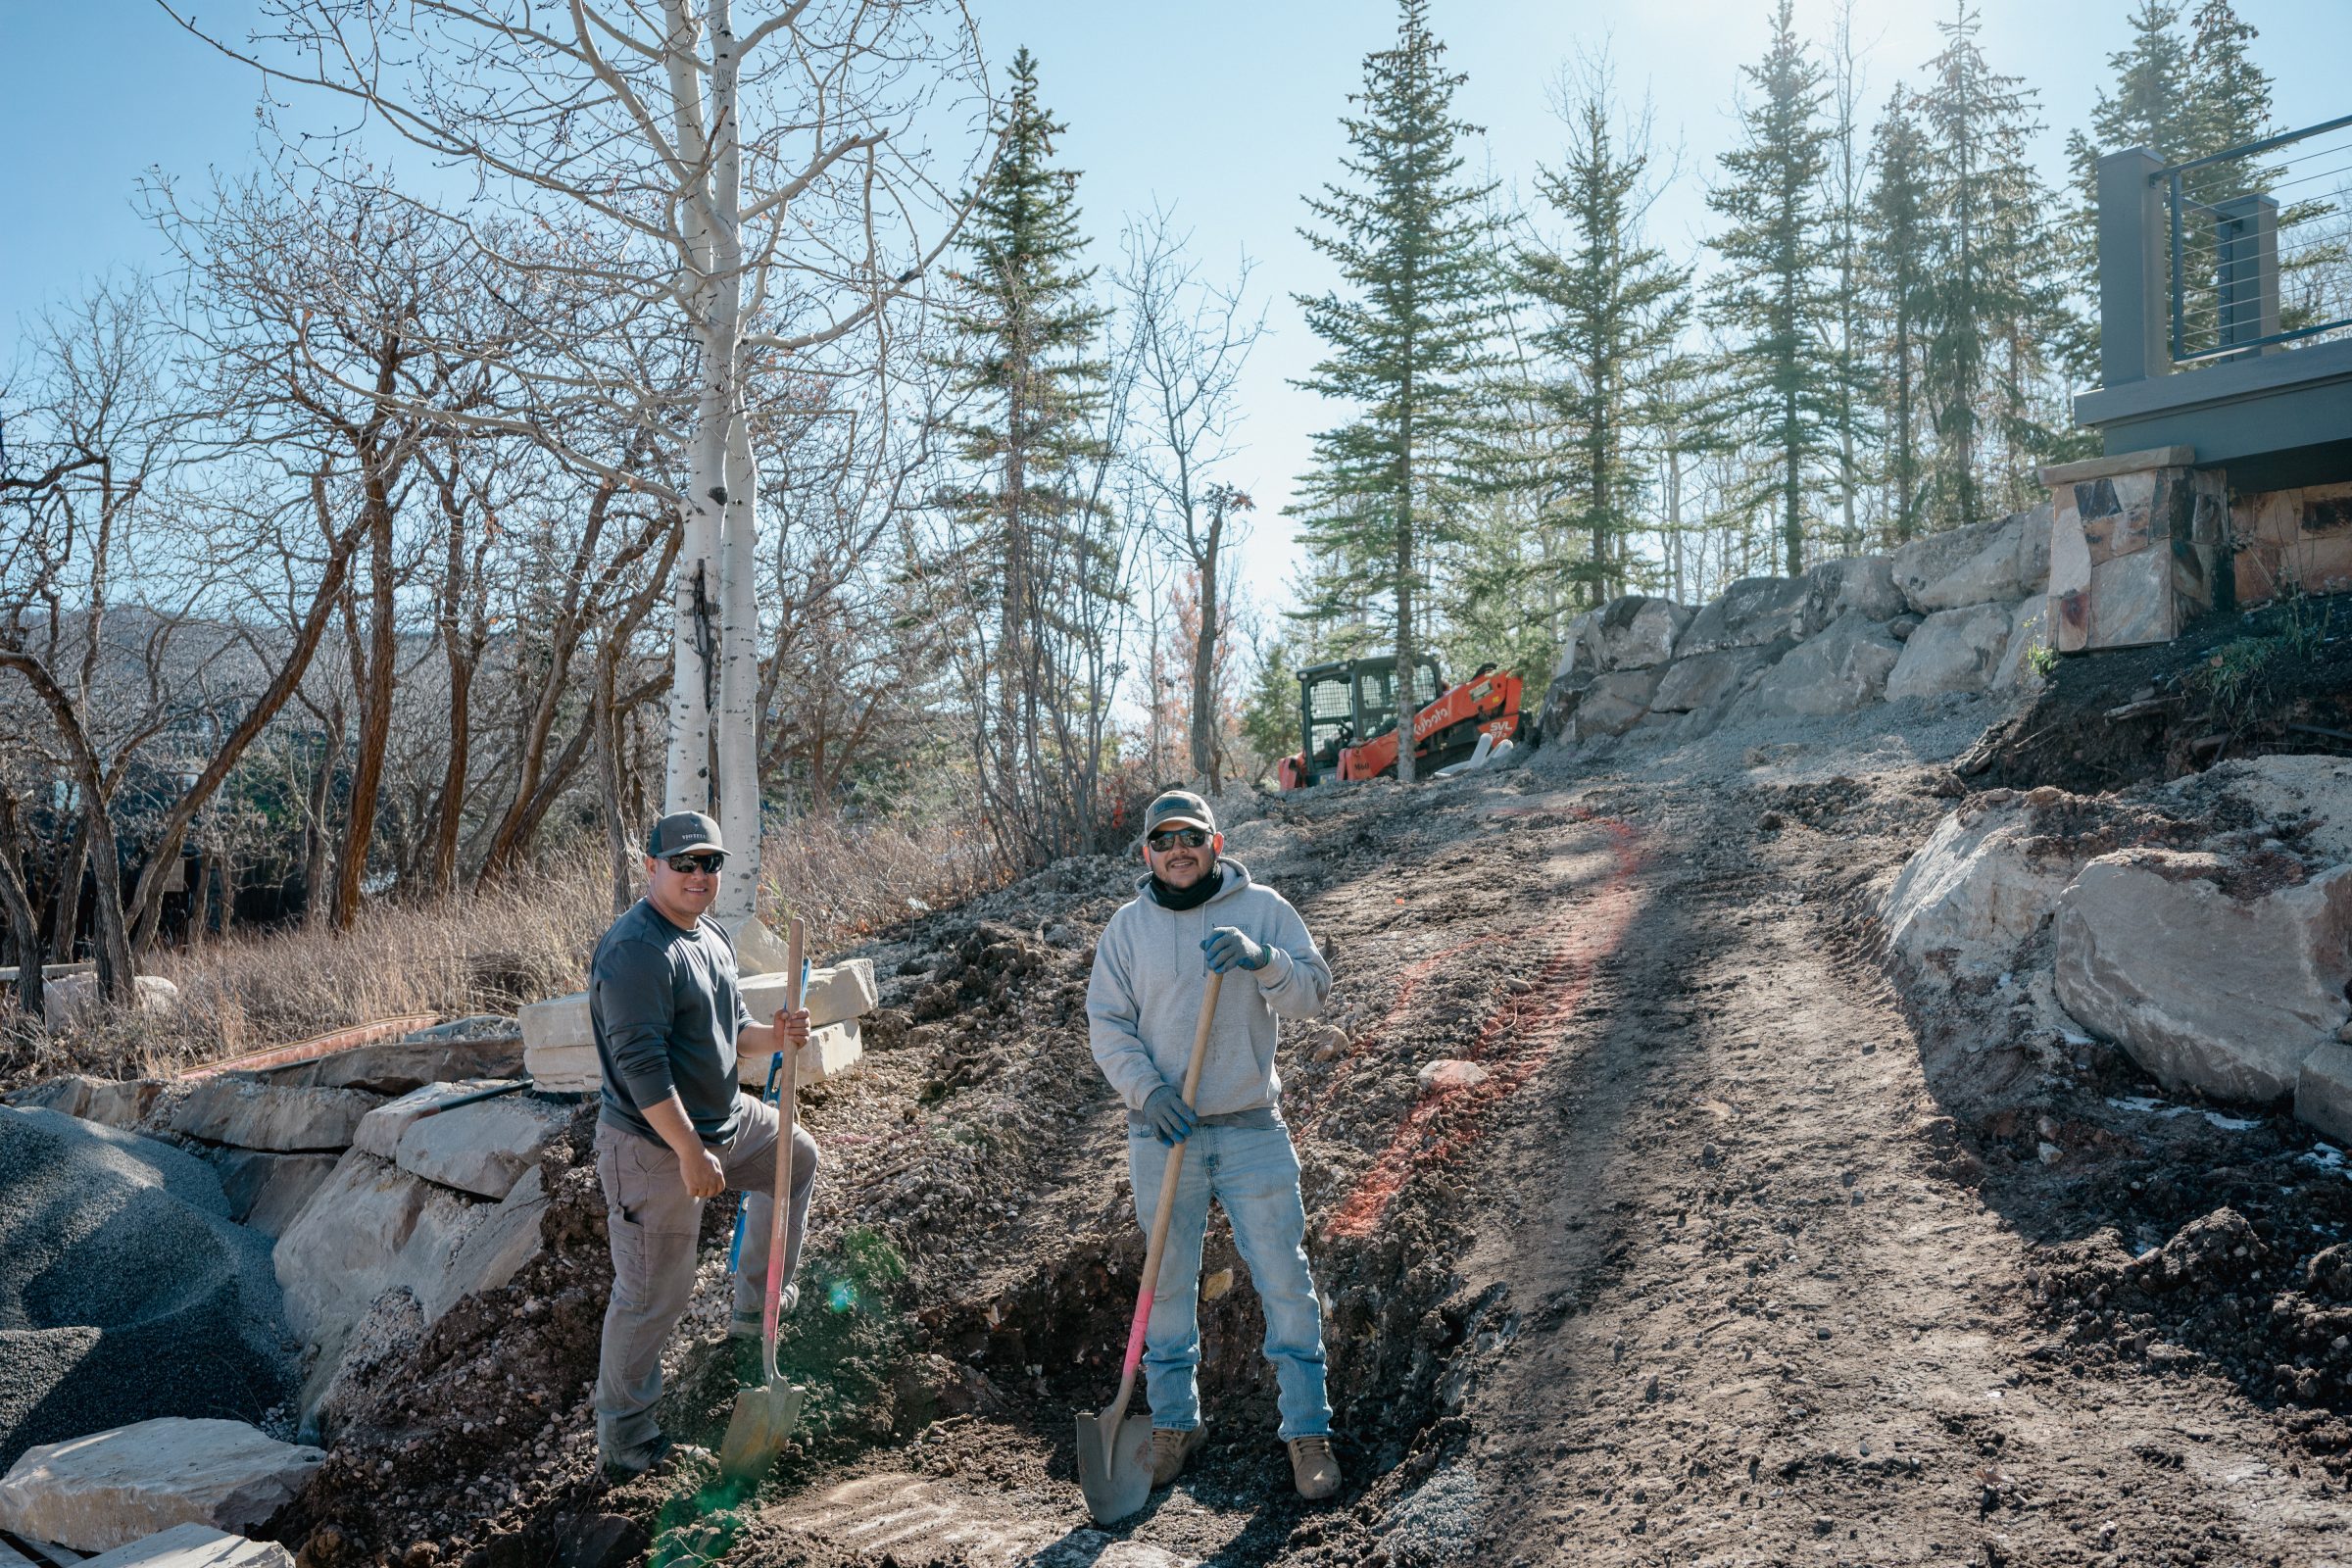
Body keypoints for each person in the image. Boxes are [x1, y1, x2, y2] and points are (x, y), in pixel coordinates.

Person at [1085, 788, 1342, 1500]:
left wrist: (1265, 961)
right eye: (1163, 841)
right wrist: (1148, 1090)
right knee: (1166, 1286)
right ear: (1147, 853)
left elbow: (1312, 993)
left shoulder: (1263, 910)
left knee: (1285, 1281)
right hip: (1163, 1132)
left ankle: (1307, 1431)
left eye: (1190, 837)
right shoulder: (1127, 930)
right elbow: (1107, 1022)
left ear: (1215, 843)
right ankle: (1174, 1423)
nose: (1178, 851)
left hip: (1250, 1124)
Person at [589, 809, 819, 1481]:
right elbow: (641, 1066)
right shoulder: (636, 951)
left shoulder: (708, 936)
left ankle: (756, 1310)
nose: (697, 874)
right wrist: (690, 1150)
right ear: (652, 866)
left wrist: (773, 1036)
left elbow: (732, 1030)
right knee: (653, 1293)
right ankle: (627, 1442)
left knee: (794, 1159)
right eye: (684, 861)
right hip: (652, 1141)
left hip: (725, 1121)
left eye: (709, 862)